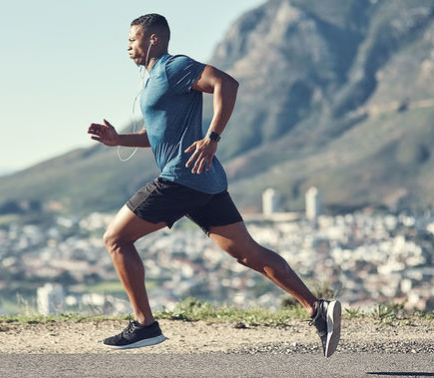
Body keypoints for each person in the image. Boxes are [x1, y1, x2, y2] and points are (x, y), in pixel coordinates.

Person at [87, 13, 341, 358]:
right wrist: (119, 140)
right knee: (246, 252)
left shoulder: (174, 67)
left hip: (181, 178)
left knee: (116, 239)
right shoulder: (153, 82)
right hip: (204, 182)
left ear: (153, 40)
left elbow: (227, 83)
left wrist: (212, 137)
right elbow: (155, 136)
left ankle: (144, 324)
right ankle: (317, 309)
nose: (128, 46)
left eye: (133, 39)